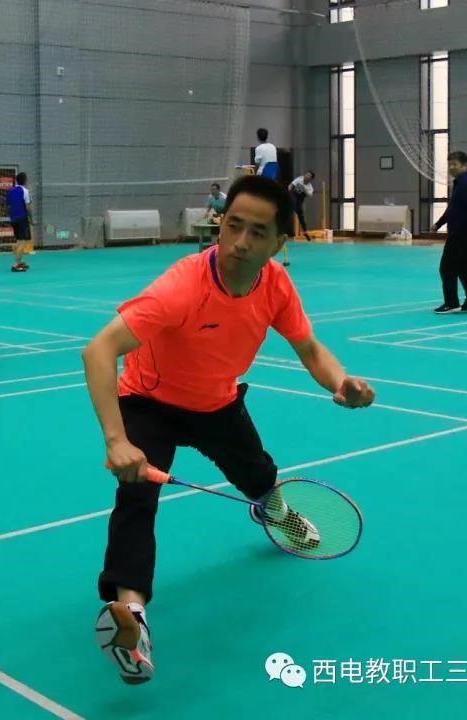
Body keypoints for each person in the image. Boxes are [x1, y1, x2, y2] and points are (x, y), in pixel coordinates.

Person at [82, 174, 376, 685]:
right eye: (233, 225)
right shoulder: (182, 286)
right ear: (220, 224)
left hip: (216, 403)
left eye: (257, 232)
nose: (240, 242)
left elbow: (309, 348)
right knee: (136, 499)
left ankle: (278, 516)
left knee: (260, 476)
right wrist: (117, 440)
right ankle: (132, 618)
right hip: (149, 402)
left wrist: (340, 381)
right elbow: (98, 350)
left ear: (279, 243)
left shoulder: (275, 285)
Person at [432, 151, 467, 314]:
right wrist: (438, 224)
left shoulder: (466, 183)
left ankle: (451, 303)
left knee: (446, 268)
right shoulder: (459, 183)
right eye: (450, 164)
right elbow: (453, 209)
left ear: (465, 166)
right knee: (465, 269)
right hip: (459, 232)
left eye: (455, 165)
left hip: (461, 233)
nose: (451, 167)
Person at [6, 172, 34, 272]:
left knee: (19, 240)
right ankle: (16, 265)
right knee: (22, 242)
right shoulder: (25, 191)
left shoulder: (10, 191)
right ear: (25, 180)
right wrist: (31, 220)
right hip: (22, 219)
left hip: (13, 219)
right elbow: (28, 208)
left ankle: (20, 261)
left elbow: (8, 206)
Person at [288, 171, 316, 240]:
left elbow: (310, 195)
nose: (306, 176)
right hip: (293, 195)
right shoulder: (300, 179)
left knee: (300, 215)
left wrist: (305, 190)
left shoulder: (309, 187)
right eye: (306, 174)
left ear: (311, 179)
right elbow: (292, 184)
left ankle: (305, 231)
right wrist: (289, 189)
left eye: (309, 176)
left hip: (299, 200)